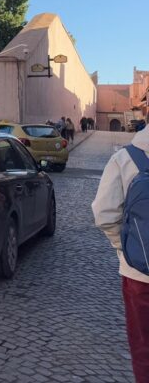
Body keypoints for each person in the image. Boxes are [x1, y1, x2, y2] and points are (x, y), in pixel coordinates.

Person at [92, 118, 149, 382]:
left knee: (144, 349)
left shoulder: (125, 159)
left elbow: (104, 214)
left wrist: (126, 249)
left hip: (139, 274)